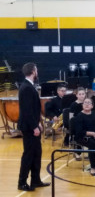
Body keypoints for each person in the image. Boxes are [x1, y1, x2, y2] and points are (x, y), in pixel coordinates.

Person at [17, 62, 50, 191]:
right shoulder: (26, 88)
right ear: (33, 72)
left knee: (37, 154)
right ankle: (22, 183)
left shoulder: (29, 86)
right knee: (28, 155)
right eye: (36, 70)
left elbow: (34, 109)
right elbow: (26, 111)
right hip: (29, 128)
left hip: (33, 125)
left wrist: (39, 123)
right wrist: (34, 127)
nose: (37, 72)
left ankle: (35, 180)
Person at [68, 87, 86, 158]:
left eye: (83, 94)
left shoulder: (87, 103)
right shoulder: (73, 104)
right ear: (77, 95)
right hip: (76, 124)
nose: (82, 95)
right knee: (79, 131)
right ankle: (77, 151)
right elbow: (71, 117)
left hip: (85, 123)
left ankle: (92, 150)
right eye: (80, 94)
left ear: (85, 95)